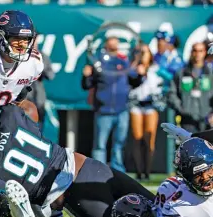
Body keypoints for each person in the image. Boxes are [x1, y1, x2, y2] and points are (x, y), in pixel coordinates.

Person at [0, 104, 155, 217]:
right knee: (163, 210)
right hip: (90, 166)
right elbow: (27, 107)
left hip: (73, 193)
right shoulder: (11, 118)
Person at [112, 137, 213, 217]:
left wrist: (193, 135)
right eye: (197, 175)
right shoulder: (182, 207)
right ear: (186, 177)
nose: (205, 178)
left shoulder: (170, 188)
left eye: (207, 170)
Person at [82, 36, 131, 173]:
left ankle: (119, 172)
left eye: (116, 39)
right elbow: (87, 84)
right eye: (111, 39)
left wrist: (139, 73)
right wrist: (86, 76)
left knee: (119, 144)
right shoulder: (97, 60)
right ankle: (99, 172)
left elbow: (134, 80)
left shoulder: (124, 60)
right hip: (104, 109)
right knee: (100, 145)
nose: (114, 42)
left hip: (122, 109)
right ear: (106, 43)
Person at [128, 44, 162, 181]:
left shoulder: (156, 69)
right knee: (137, 138)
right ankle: (139, 171)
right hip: (136, 105)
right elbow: (129, 82)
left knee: (149, 139)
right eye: (140, 52)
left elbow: (160, 84)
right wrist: (136, 66)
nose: (143, 55)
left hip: (150, 105)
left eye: (145, 52)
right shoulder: (132, 68)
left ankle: (147, 171)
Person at [167, 42, 213, 134]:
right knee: (190, 147)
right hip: (187, 121)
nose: (198, 54)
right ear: (191, 52)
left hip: (207, 120)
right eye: (195, 51)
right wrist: (181, 108)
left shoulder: (210, 73)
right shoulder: (181, 73)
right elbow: (171, 93)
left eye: (201, 51)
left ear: (205, 52)